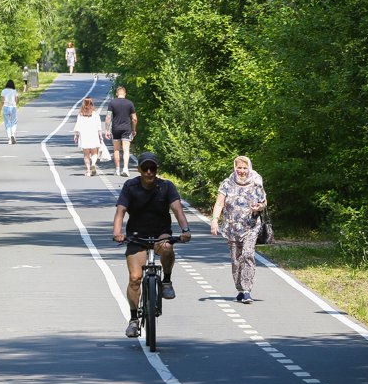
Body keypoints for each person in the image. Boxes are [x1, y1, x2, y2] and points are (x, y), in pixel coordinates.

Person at [113, 152, 192, 338]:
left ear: (157, 170)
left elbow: (177, 209)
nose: (149, 172)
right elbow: (120, 212)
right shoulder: (130, 186)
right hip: (137, 236)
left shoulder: (166, 186)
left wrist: (185, 229)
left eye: (153, 168)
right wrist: (117, 232)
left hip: (160, 234)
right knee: (134, 278)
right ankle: (133, 320)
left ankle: (166, 280)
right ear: (139, 169)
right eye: (145, 168)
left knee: (167, 247)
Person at [210, 156, 267, 304]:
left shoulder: (256, 181)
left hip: (251, 225)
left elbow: (264, 202)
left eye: (244, 168)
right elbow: (219, 204)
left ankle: (247, 290)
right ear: (234, 168)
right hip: (231, 227)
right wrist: (215, 220)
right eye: (239, 168)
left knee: (247, 254)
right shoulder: (227, 183)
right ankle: (240, 289)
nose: (241, 171)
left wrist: (258, 207)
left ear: (249, 168)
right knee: (236, 260)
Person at [104, 86, 137, 177]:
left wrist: (107, 130)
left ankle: (117, 169)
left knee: (116, 149)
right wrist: (134, 129)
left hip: (116, 129)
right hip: (126, 128)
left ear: (116, 94)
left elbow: (108, 117)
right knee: (126, 150)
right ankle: (125, 168)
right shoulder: (130, 103)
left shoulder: (112, 103)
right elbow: (134, 119)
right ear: (125, 94)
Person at [73, 97, 104, 176]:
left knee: (86, 155)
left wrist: (76, 135)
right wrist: (100, 136)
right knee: (94, 152)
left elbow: (78, 126)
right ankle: (93, 163)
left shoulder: (80, 114)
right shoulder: (95, 114)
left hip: (84, 135)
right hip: (93, 135)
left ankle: (88, 170)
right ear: (92, 104)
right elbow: (98, 126)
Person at [0, 80, 19, 144]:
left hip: (6, 107)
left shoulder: (3, 91)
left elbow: (2, 101)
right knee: (14, 122)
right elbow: (16, 100)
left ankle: (9, 139)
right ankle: (13, 134)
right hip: (13, 107)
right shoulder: (15, 91)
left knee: (7, 124)